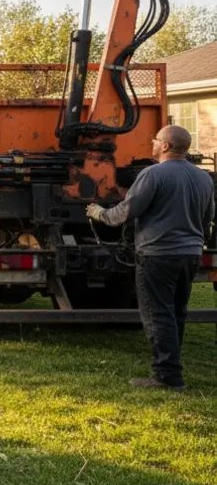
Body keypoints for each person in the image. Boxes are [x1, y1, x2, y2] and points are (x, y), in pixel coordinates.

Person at [87, 124, 214, 391]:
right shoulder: (203, 178)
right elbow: (207, 217)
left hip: (158, 255)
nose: (153, 144)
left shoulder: (153, 174)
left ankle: (167, 377)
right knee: (177, 312)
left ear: (166, 146)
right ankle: (172, 367)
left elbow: (127, 211)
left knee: (158, 315)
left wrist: (98, 212)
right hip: (190, 254)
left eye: (156, 140)